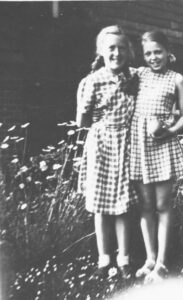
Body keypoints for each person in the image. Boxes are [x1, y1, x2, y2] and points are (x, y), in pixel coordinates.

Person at [76, 25, 138, 280]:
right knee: (101, 205)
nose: (116, 53)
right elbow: (81, 120)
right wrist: (86, 101)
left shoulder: (135, 76)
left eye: (122, 48)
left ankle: (123, 258)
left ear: (129, 51)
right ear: (101, 52)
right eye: (111, 48)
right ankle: (104, 260)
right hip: (102, 143)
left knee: (123, 203)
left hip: (126, 143)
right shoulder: (93, 80)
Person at [130, 30, 183, 282]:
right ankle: (150, 258)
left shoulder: (176, 79)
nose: (153, 58)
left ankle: (163, 263)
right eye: (148, 54)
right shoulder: (139, 74)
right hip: (139, 146)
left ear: (168, 52)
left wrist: (168, 132)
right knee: (145, 206)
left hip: (162, 144)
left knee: (163, 205)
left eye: (158, 52)